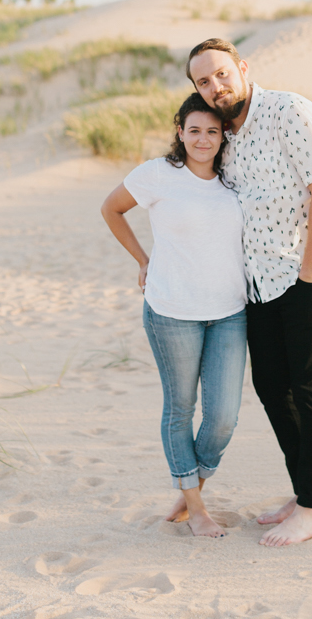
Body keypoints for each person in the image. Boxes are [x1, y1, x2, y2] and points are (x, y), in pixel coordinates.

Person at [186, 37, 312, 548]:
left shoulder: (289, 111)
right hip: (259, 285)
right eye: (202, 81)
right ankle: (307, 491)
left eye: (220, 74)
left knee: (311, 388)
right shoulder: (225, 134)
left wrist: (309, 274)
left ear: (241, 67)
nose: (215, 86)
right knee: (272, 389)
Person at [100, 93, 247, 539]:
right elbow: (111, 209)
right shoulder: (157, 175)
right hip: (171, 311)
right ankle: (198, 508)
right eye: (194, 130)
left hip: (229, 313)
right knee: (180, 409)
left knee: (223, 417)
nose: (203, 140)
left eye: (213, 132)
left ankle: (189, 488)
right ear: (179, 131)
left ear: (224, 137)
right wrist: (142, 260)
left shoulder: (234, 179)